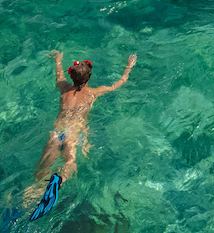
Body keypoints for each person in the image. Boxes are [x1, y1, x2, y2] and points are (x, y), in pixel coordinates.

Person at [24, 52, 137, 210]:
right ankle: (60, 180)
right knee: (70, 162)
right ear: (88, 78)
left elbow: (58, 73)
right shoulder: (93, 93)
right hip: (73, 133)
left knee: (42, 167)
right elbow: (119, 83)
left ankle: (33, 191)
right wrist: (128, 66)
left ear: (72, 76)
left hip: (57, 132)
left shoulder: (63, 88)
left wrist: (58, 59)